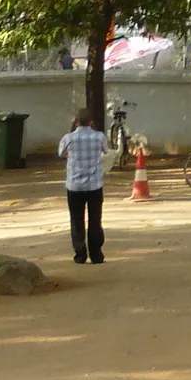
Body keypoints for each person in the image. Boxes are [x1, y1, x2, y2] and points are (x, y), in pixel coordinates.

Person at [58, 108, 109, 265]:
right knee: (95, 220)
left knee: (76, 220)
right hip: (94, 185)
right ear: (91, 122)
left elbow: (61, 153)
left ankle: (80, 255)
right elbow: (105, 151)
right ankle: (96, 255)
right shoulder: (99, 137)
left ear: (76, 121)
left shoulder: (68, 138)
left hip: (74, 186)